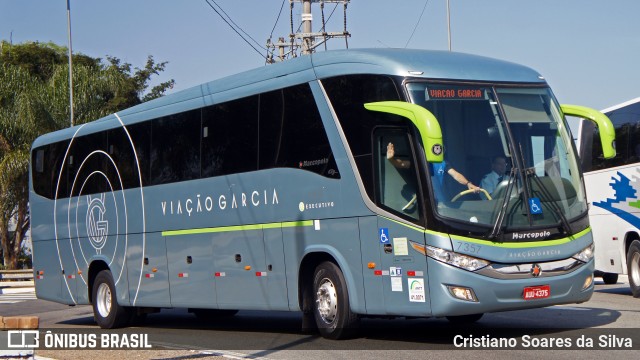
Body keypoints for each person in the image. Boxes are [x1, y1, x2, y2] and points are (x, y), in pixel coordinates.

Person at [387, 142, 480, 200]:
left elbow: (455, 175)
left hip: (441, 203)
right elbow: (402, 164)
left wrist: (468, 183)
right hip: (426, 203)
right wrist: (392, 159)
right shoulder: (420, 162)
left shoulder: (443, 163)